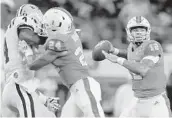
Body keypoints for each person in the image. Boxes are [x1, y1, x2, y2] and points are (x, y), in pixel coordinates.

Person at [28, 7, 105, 117]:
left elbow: (35, 65)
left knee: (94, 114)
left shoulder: (57, 42)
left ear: (56, 25)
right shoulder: (71, 34)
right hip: (77, 88)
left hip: (83, 85)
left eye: (46, 25)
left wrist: (27, 55)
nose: (44, 28)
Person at [102, 16, 172, 117]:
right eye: (135, 29)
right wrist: (115, 51)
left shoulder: (153, 46)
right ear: (128, 31)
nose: (139, 32)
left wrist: (118, 60)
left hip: (155, 101)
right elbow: (131, 55)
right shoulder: (132, 47)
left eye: (142, 29)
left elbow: (143, 69)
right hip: (138, 99)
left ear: (148, 31)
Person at [2, 4, 60, 117]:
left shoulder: (23, 45)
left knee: (49, 116)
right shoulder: (20, 23)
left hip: (20, 86)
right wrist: (44, 38)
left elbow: (28, 85)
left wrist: (45, 100)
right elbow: (27, 36)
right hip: (16, 86)